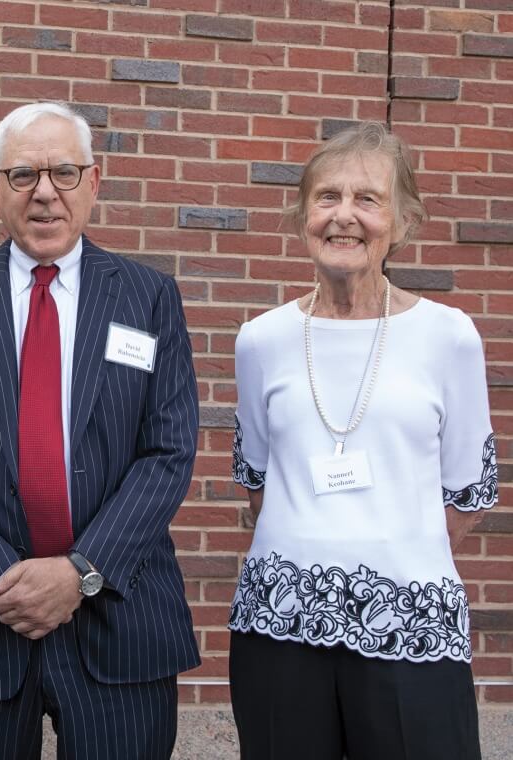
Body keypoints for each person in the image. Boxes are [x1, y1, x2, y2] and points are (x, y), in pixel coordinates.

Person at [0, 102, 200, 759]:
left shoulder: (147, 298)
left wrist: (81, 573)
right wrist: (2, 577)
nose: (46, 192)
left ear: (95, 180)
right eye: (24, 174)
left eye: (64, 171)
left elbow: (168, 450)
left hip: (120, 618)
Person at [229, 121, 496, 759]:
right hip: (279, 624)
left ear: (402, 222)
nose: (343, 216)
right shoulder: (261, 339)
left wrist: (390, 557)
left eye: (367, 200)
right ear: (302, 216)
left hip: (411, 625)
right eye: (326, 197)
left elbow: (467, 491)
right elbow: (259, 485)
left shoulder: (448, 336)